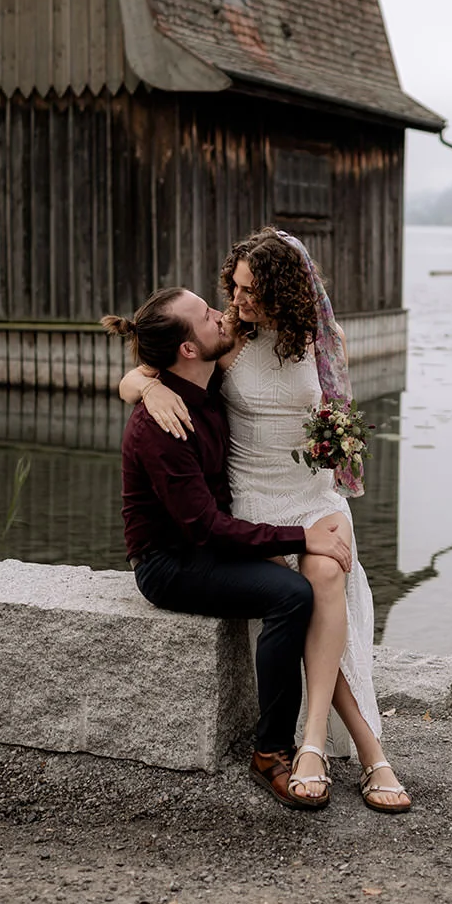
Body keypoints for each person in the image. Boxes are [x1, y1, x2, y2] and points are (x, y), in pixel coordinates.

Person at [119, 230, 411, 814]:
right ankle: (341, 751)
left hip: (312, 494)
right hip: (253, 500)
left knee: (325, 575)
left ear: (282, 291)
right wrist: (145, 388)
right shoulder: (229, 339)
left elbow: (337, 414)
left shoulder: (324, 343)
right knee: (302, 589)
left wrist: (337, 447)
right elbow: (151, 366)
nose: (234, 301)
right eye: (233, 287)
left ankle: (319, 743)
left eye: (249, 290)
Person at [102, 287, 353, 809]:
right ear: (188, 348)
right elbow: (206, 528)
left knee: (302, 584)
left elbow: (136, 377)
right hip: (169, 563)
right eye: (207, 315)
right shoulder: (160, 425)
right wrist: (302, 537)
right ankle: (270, 751)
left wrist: (142, 383)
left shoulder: (203, 381)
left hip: (207, 543)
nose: (222, 314)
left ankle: (312, 734)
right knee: (290, 594)